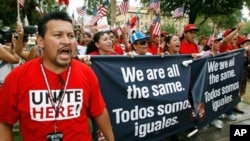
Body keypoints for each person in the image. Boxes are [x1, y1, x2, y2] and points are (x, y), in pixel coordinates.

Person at [0, 11, 114, 141]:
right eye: (58, 35)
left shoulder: (86, 73)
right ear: (41, 41)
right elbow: (4, 121)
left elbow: (99, 111)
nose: (66, 41)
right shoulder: (17, 77)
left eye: (71, 36)